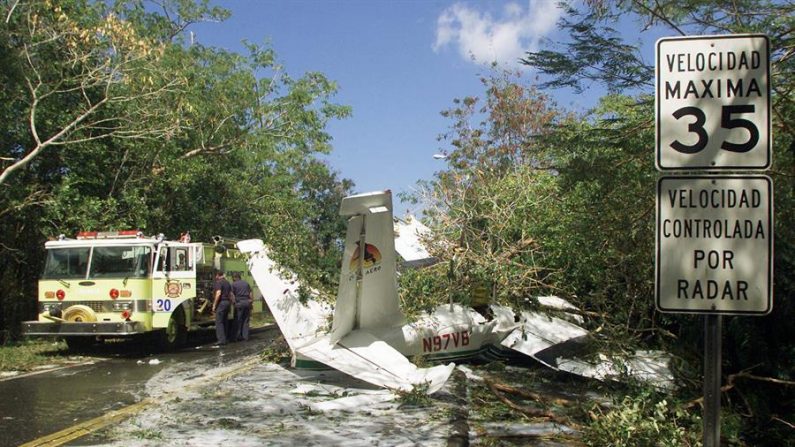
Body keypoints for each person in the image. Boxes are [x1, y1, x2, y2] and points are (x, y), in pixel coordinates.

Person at [212, 270, 234, 345]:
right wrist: (232, 302)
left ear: (217, 275)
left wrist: (214, 305)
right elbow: (231, 294)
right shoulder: (227, 282)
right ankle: (226, 338)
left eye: (216, 275)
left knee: (219, 322)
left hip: (221, 303)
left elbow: (218, 293)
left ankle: (221, 340)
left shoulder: (219, 283)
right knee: (225, 321)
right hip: (227, 303)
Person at [231, 272, 253, 341]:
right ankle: (245, 337)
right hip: (247, 302)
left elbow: (232, 294)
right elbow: (250, 293)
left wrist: (233, 302)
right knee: (246, 320)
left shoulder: (233, 284)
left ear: (234, 278)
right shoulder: (246, 283)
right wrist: (251, 301)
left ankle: (237, 336)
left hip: (239, 303)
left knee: (238, 320)